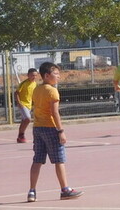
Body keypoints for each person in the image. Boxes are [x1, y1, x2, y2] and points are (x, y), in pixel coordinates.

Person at [27, 62, 82, 202]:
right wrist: (60, 130)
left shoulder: (37, 89)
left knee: (37, 160)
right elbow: (55, 112)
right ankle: (65, 189)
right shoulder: (52, 91)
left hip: (37, 128)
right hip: (50, 128)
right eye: (55, 74)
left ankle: (32, 191)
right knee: (59, 160)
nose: (58, 76)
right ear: (46, 75)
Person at [15, 68, 40, 143]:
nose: (34, 77)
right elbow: (16, 93)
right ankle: (21, 134)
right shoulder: (24, 83)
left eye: (35, 75)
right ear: (28, 75)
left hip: (29, 105)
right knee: (28, 119)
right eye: (32, 75)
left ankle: (20, 136)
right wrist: (19, 103)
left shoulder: (35, 84)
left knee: (24, 120)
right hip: (23, 104)